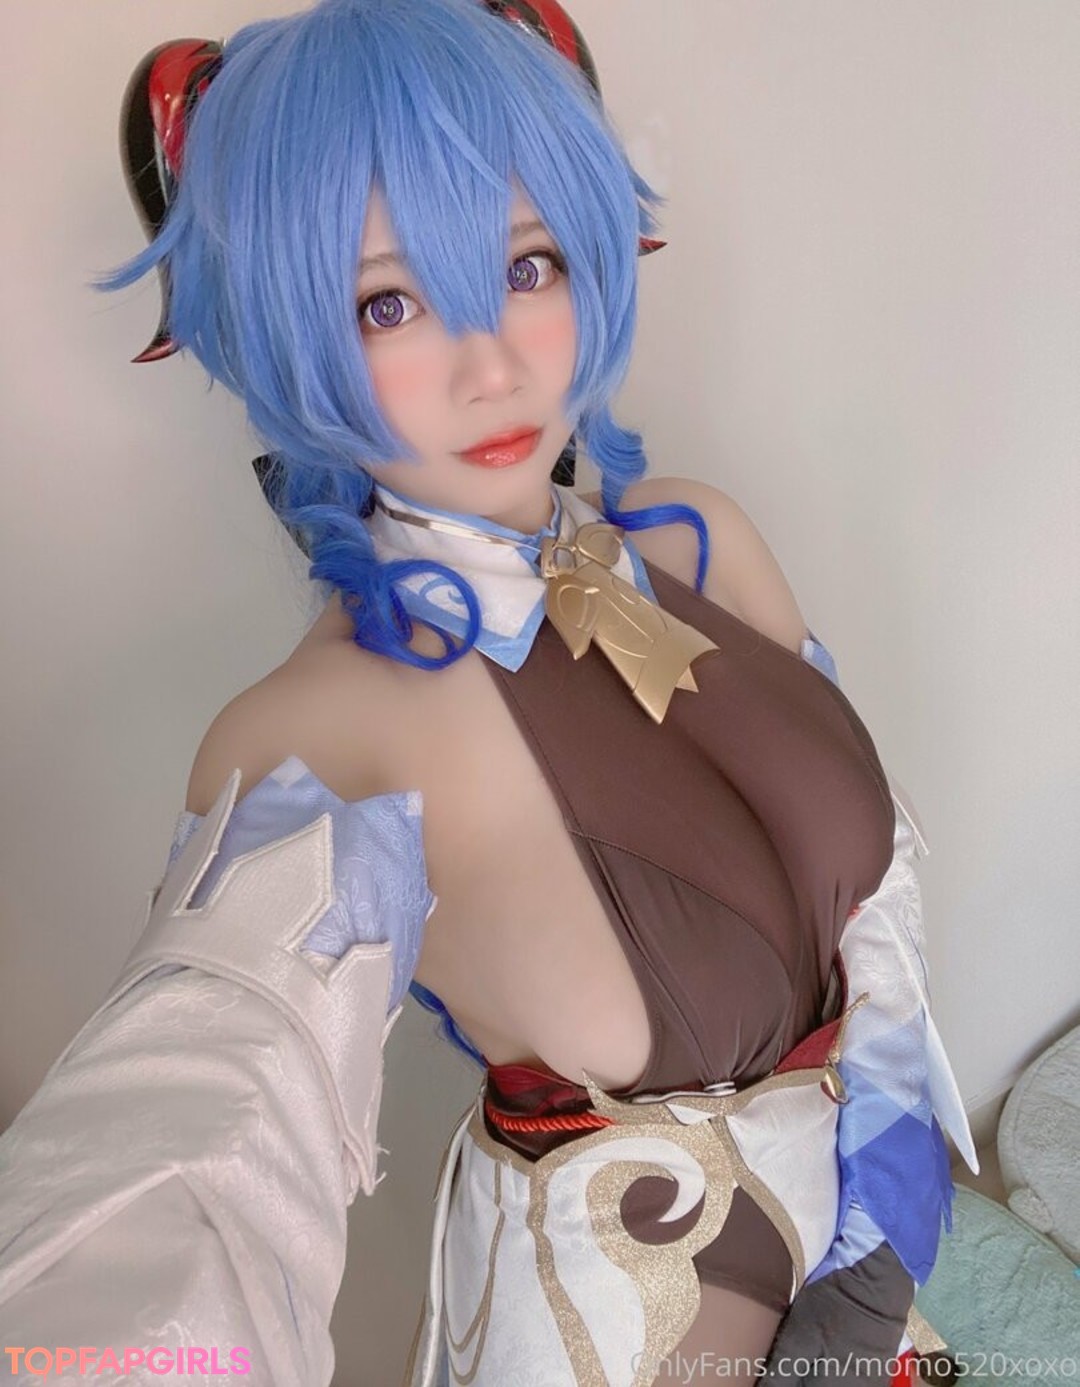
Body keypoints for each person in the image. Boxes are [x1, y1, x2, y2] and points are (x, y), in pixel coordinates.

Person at [0, 1, 977, 1383]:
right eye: (388, 302)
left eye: (526, 264)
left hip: (869, 1302)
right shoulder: (315, 735)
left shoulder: (699, 540)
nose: (493, 361)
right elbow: (193, 1132)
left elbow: (875, 907)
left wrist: (879, 1235)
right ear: (280, 329)